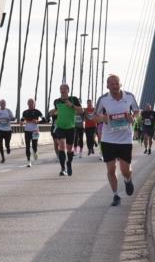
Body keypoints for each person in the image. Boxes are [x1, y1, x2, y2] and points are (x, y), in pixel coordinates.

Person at [93, 74, 140, 206]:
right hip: (108, 139)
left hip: (125, 139)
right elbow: (94, 117)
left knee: (125, 169)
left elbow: (137, 111)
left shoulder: (129, 97)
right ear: (107, 86)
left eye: (116, 83)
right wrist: (103, 119)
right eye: (111, 84)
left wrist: (133, 118)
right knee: (111, 169)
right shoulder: (103, 99)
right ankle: (116, 195)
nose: (114, 86)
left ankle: (127, 179)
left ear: (120, 84)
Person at [51, 84, 83, 176]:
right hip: (60, 126)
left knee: (69, 149)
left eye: (64, 89)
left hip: (71, 127)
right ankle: (63, 168)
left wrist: (72, 105)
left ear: (68, 90)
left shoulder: (73, 99)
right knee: (61, 145)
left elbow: (81, 111)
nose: (62, 90)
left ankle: (69, 163)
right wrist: (53, 112)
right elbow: (58, 111)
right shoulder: (57, 101)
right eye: (61, 89)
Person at [21, 98, 44, 167]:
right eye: (29, 103)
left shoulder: (37, 112)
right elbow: (22, 120)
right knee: (27, 146)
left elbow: (45, 120)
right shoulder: (25, 112)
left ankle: (35, 152)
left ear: (34, 104)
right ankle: (28, 161)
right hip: (27, 130)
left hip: (35, 131)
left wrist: (38, 122)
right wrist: (22, 122)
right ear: (27, 104)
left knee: (34, 146)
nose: (30, 104)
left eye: (32, 102)